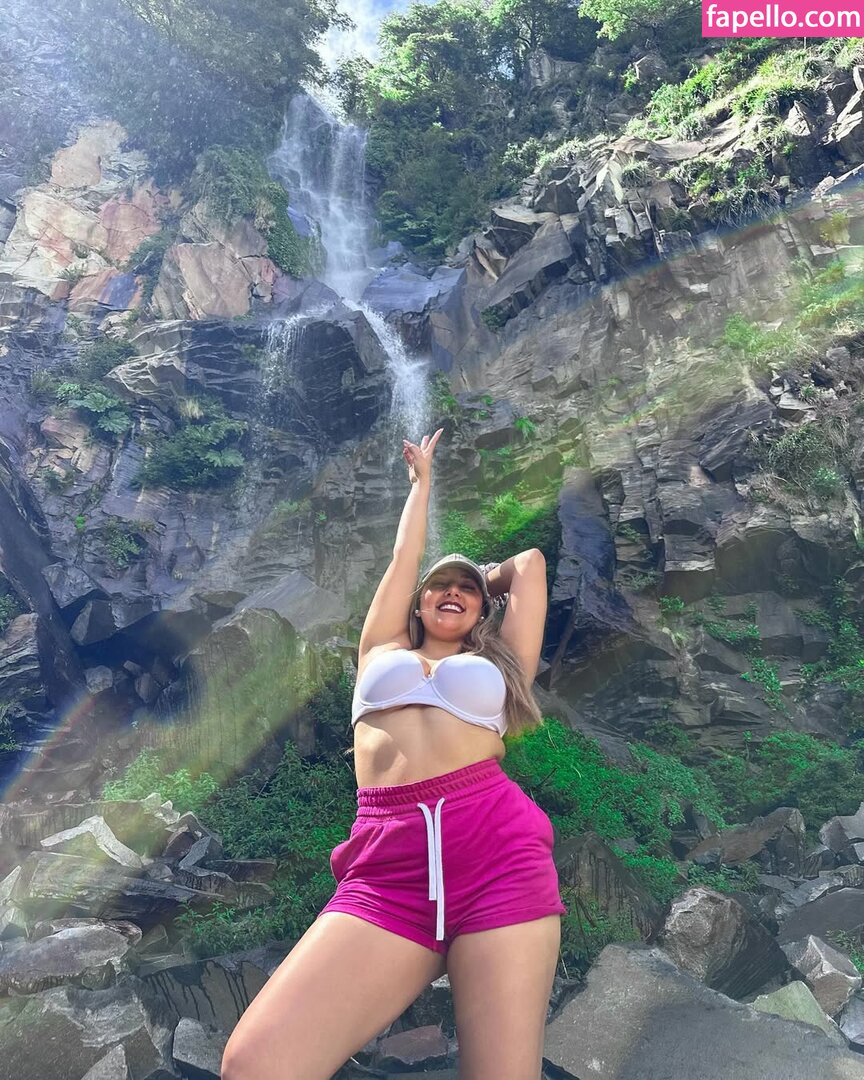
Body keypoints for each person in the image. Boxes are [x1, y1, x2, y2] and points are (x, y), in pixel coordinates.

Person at [221, 428, 566, 1080]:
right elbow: (406, 556)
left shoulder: (502, 667)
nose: (452, 591)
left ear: (482, 610)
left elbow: (529, 564)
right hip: (388, 869)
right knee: (255, 1064)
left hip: (497, 855)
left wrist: (481, 579)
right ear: (416, 602)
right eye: (440, 586)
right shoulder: (380, 648)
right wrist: (421, 487)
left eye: (465, 589)